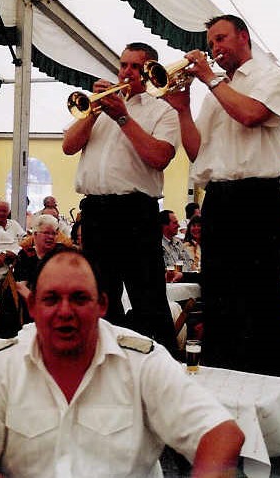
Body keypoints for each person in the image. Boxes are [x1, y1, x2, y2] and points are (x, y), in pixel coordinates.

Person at [0, 249, 244, 477]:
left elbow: (221, 433)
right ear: (32, 306)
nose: (65, 311)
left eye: (79, 298)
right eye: (51, 299)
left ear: (102, 305)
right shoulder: (3, 367)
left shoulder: (141, 362)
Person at [164, 14, 280, 376]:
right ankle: (222, 376)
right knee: (218, 295)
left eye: (220, 39)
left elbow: (251, 114)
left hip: (258, 197)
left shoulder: (271, 76)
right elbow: (197, 152)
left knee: (259, 296)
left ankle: (271, 381)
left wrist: (210, 78)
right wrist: (182, 109)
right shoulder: (217, 92)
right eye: (211, 44)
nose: (215, 48)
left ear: (243, 36)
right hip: (220, 199)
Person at [62, 41, 179, 353]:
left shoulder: (163, 111)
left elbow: (159, 157)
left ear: (150, 71)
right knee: (99, 294)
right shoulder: (99, 107)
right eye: (123, 65)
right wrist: (93, 112)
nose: (127, 72)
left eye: (135, 67)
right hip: (96, 211)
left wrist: (123, 117)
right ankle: (103, 358)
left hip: (135, 212)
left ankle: (161, 364)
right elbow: (68, 146)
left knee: (147, 296)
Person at [160, 210, 193, 279]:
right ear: (165, 226)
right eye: (175, 223)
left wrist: (181, 273)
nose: (178, 225)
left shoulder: (178, 242)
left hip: (182, 280)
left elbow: (190, 261)